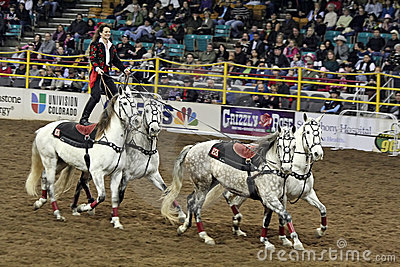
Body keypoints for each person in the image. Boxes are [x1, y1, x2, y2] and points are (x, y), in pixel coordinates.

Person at [79, 23, 130, 125]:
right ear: (101, 33)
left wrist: (124, 69)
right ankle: (83, 119)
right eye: (106, 32)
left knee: (115, 96)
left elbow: (116, 60)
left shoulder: (111, 46)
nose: (108, 33)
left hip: (105, 72)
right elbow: (93, 59)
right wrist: (97, 68)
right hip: (96, 73)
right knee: (95, 96)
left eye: (109, 32)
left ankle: (110, 118)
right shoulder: (95, 44)